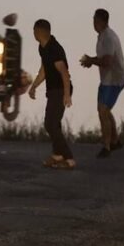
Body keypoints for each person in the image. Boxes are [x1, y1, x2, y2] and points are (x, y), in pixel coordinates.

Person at [79, 8, 124, 158]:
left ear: (100, 21)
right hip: (107, 80)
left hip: (114, 80)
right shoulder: (101, 36)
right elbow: (103, 59)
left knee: (103, 111)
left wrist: (91, 60)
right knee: (104, 111)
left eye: (94, 20)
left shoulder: (108, 38)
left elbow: (107, 61)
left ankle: (107, 146)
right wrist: (91, 62)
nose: (93, 23)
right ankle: (115, 141)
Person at [28, 19, 76, 170]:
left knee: (50, 124)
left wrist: (67, 95)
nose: (33, 33)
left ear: (40, 32)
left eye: (34, 31)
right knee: (54, 124)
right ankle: (57, 155)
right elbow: (44, 70)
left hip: (61, 90)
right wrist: (34, 86)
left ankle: (69, 158)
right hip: (53, 90)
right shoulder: (43, 48)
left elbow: (64, 73)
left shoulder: (55, 49)